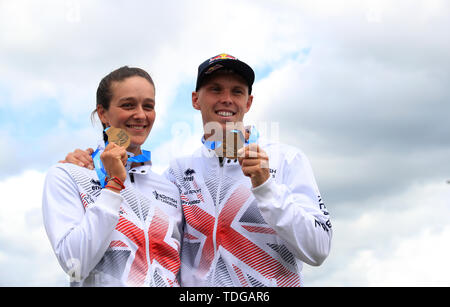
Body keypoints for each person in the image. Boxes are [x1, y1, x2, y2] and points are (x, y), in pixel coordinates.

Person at [62, 54, 332, 287]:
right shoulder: (178, 172)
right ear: (195, 99)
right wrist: (87, 162)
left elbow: (318, 249)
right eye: (215, 89)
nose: (226, 99)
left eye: (237, 91)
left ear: (248, 102)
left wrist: (266, 187)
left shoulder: (286, 160)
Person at [42, 66, 182, 287]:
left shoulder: (169, 188)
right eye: (128, 105)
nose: (140, 114)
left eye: (148, 106)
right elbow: (74, 264)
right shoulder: (69, 175)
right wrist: (114, 184)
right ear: (103, 113)